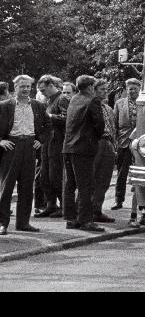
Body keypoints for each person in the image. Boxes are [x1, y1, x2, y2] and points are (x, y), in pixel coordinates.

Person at [0, 75, 51, 235]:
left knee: (27, 187)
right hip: (11, 147)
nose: (26, 89)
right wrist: (1, 141)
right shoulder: (4, 106)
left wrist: (40, 140)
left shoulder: (38, 106)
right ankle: (2, 223)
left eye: (28, 86)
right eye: (22, 86)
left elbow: (48, 126)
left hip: (30, 147)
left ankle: (23, 223)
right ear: (15, 88)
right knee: (6, 187)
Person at [63, 75, 105, 232]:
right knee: (86, 185)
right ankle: (85, 220)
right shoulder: (93, 100)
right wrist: (96, 137)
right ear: (90, 87)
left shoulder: (74, 99)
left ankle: (71, 218)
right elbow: (99, 123)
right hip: (84, 147)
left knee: (70, 184)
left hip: (68, 146)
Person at [33, 75, 68, 218]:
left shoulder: (62, 99)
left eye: (43, 90)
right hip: (47, 143)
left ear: (51, 85)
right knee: (44, 176)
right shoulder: (49, 100)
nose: (41, 93)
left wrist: (50, 117)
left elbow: (67, 119)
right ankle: (51, 204)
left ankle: (64, 206)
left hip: (57, 143)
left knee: (55, 176)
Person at [111, 78, 140, 210]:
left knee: (141, 171)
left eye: (135, 88)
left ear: (139, 89)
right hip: (124, 141)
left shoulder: (143, 102)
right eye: (130, 89)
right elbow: (114, 123)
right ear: (126, 90)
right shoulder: (119, 103)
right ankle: (118, 200)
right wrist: (115, 141)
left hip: (141, 142)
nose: (132, 91)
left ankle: (143, 201)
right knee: (122, 172)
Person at [91, 79, 116, 223]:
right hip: (96, 142)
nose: (105, 92)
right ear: (94, 90)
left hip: (108, 143)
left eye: (106, 89)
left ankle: (97, 210)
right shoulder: (90, 106)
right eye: (102, 89)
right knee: (91, 177)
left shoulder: (108, 108)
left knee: (105, 178)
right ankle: (85, 211)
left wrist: (114, 144)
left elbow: (112, 127)